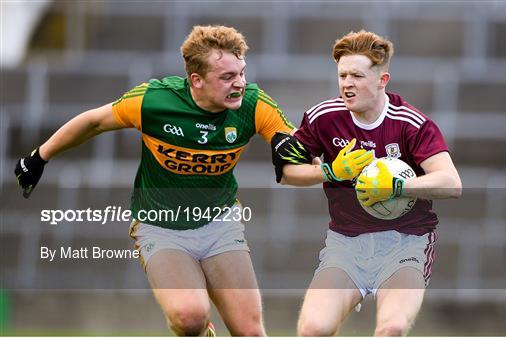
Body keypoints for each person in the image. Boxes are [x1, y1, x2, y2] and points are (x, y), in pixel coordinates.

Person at [15, 25, 295, 336]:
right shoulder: (155, 101)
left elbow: (294, 142)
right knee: (190, 317)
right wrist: (40, 156)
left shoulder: (254, 104)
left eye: (241, 73)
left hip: (220, 223)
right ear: (196, 80)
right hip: (160, 225)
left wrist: (294, 150)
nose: (240, 84)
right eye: (227, 77)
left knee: (250, 332)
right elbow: (94, 121)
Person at [271, 30, 462, 336]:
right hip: (346, 243)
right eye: (342, 75)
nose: (347, 84)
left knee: (392, 328)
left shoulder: (411, 123)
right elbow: (287, 173)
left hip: (406, 242)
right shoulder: (323, 117)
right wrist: (331, 172)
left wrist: (396, 186)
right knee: (312, 329)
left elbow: (451, 183)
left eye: (357, 76)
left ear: (382, 80)